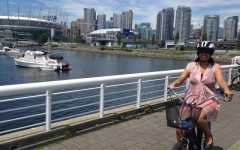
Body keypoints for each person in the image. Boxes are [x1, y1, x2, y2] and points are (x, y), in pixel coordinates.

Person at [169, 41, 233, 150]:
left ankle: (208, 136)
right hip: (190, 99)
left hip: (208, 99)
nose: (204, 54)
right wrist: (173, 84)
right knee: (179, 128)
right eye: (201, 52)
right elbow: (181, 79)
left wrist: (227, 90)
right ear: (198, 53)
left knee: (199, 119)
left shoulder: (215, 67)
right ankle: (183, 146)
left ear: (211, 54)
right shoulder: (191, 65)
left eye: (206, 52)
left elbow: (221, 81)